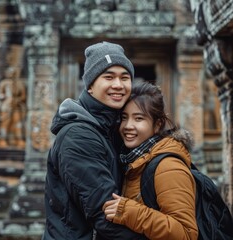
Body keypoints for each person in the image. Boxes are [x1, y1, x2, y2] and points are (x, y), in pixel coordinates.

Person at [42, 42, 144, 240]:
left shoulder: (114, 128)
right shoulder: (78, 135)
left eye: (125, 78)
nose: (118, 85)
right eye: (108, 77)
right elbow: (106, 213)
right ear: (90, 86)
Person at [103, 80, 199, 240]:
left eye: (138, 118)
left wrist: (128, 211)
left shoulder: (168, 166)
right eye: (124, 118)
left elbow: (186, 234)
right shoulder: (133, 160)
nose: (128, 126)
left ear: (158, 124)